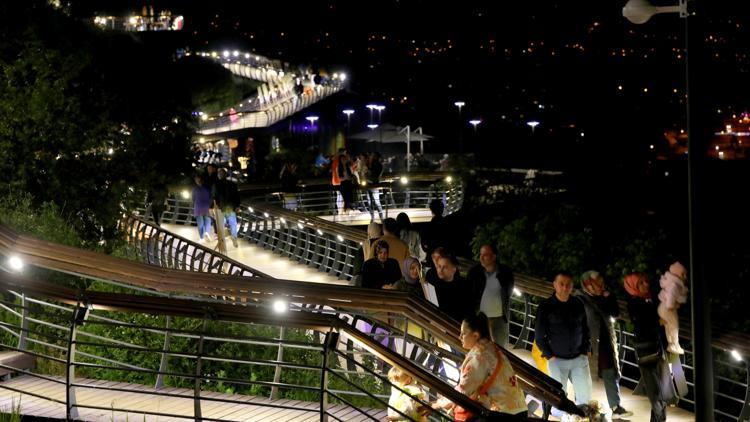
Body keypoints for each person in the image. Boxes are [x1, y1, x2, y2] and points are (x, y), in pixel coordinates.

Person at [433, 312, 527, 417]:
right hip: (518, 408)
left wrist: (438, 404)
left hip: (504, 414)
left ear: (475, 335)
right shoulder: (490, 347)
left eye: (463, 333)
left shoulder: (479, 357)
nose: (459, 337)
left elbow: (463, 390)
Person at [575, 271, 632, 418]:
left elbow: (615, 313)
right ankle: (581, 406)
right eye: (597, 284)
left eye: (601, 283)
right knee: (583, 375)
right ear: (588, 284)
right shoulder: (579, 299)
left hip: (605, 342)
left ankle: (616, 406)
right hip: (587, 344)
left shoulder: (603, 297)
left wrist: (609, 298)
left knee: (610, 373)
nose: (601, 286)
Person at [534, 272, 592, 407]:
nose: (565, 288)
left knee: (585, 397)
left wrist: (586, 348)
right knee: (558, 399)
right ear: (554, 285)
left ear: (572, 286)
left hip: (579, 357)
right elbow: (539, 335)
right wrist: (549, 355)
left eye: (568, 285)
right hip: (556, 359)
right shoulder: (545, 306)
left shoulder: (578, 303)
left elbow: (586, 329)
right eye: (561, 284)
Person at [624, 272, 675, 422]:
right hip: (646, 348)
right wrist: (658, 321)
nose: (646, 285)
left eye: (646, 281)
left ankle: (657, 419)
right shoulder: (635, 303)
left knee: (660, 388)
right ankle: (660, 419)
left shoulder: (649, 300)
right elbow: (643, 324)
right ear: (633, 286)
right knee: (655, 390)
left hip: (656, 346)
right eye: (641, 283)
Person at [468, 244, 514, 348]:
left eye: (485, 255)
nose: (481, 257)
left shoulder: (505, 272)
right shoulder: (474, 273)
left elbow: (508, 292)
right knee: (480, 348)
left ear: (494, 256)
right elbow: (470, 294)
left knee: (500, 350)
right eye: (480, 254)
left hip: (499, 318)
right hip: (480, 319)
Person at [657, 261, 689, 354]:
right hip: (667, 309)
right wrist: (671, 306)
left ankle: (672, 346)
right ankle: (674, 346)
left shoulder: (672, 283)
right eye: (683, 274)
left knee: (669, 327)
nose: (685, 277)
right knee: (674, 327)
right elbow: (671, 296)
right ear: (678, 275)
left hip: (663, 308)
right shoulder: (675, 285)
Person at [433, 254, 473, 322]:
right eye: (439, 266)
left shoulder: (463, 286)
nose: (440, 270)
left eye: (445, 267)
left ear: (453, 270)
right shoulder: (435, 282)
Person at [212, 168, 241, 248]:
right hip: (230, 207)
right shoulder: (232, 184)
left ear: (219, 175)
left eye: (220, 174)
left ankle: (221, 241)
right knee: (233, 224)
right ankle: (234, 237)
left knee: (221, 225)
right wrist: (237, 205)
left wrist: (213, 206)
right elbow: (237, 196)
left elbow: (214, 197)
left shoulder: (216, 185)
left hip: (221, 208)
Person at [191, 175, 213, 242]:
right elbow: (211, 197)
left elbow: (193, 199)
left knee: (200, 223)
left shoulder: (194, 189)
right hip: (207, 207)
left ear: (196, 181)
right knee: (207, 221)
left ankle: (202, 238)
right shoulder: (208, 188)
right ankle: (207, 232)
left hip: (198, 208)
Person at [366, 152, 384, 222]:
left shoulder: (378, 165)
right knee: (372, 201)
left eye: (373, 156)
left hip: (373, 184)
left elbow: (376, 175)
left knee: (375, 201)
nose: (372, 157)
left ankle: (378, 217)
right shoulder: (372, 164)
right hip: (371, 184)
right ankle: (377, 217)